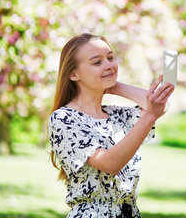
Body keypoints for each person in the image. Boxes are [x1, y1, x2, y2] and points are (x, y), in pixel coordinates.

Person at [48, 33, 174, 217]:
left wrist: (114, 86)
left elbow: (162, 107)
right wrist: (149, 116)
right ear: (73, 74)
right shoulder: (64, 119)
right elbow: (110, 163)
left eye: (110, 58)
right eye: (97, 62)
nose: (109, 65)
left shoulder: (117, 115)